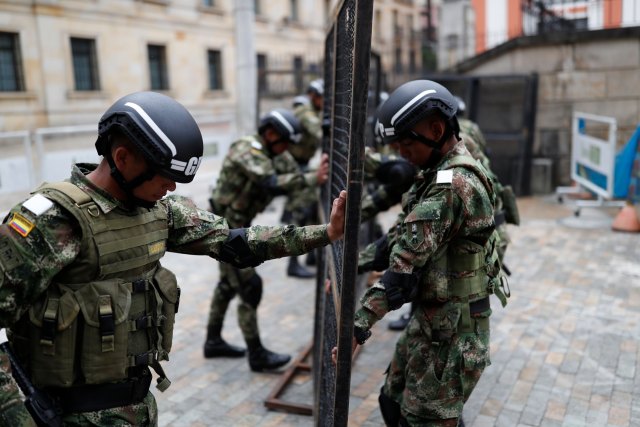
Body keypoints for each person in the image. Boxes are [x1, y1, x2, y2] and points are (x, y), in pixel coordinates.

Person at [0, 92, 346, 426]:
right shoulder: (48, 221)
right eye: (165, 175)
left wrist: (324, 233)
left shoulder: (158, 211)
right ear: (123, 159)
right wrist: (18, 418)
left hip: (136, 407)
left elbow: (234, 242)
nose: (171, 188)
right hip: (63, 413)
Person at [334, 80, 508, 426]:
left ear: (436, 129)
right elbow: (400, 237)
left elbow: (400, 272)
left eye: (405, 142)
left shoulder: (453, 185)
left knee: (424, 420)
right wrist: (354, 264)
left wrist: (355, 328)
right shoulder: (435, 174)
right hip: (433, 321)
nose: (400, 152)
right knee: (391, 401)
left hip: (454, 336)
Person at [204, 108, 329, 371]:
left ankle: (213, 342)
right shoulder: (246, 149)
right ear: (270, 134)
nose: (286, 149)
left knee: (228, 285)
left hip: (238, 226)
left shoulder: (275, 152)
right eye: (284, 141)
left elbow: (294, 177)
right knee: (249, 286)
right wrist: (311, 177)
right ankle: (256, 353)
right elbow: (270, 181)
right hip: (222, 230)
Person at [281, 79, 325, 277]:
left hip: (302, 164)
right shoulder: (304, 110)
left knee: (312, 208)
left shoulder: (313, 110)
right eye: (323, 98)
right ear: (314, 96)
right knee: (300, 211)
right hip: (293, 165)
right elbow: (318, 131)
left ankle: (309, 255)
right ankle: (292, 263)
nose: (325, 102)